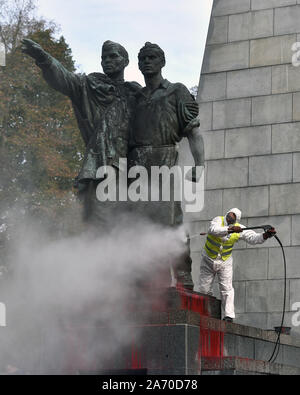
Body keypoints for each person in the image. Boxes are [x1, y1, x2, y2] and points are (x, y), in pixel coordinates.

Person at [21, 38, 141, 229]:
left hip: (134, 169)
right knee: (101, 220)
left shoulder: (136, 94)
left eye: (113, 56)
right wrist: (44, 58)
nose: (107, 61)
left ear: (125, 61)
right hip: (102, 165)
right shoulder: (88, 86)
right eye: (104, 58)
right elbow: (64, 78)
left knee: (128, 224)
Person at [128, 42, 205, 288]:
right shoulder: (135, 98)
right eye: (143, 58)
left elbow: (194, 133)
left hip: (164, 160)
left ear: (162, 62)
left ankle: (182, 275)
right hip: (136, 163)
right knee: (140, 224)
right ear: (138, 65)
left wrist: (200, 164)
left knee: (171, 221)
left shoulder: (176, 92)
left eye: (152, 57)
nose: (147, 62)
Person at [198, 208, 276, 322]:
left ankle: (229, 316)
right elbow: (214, 230)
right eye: (229, 215)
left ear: (236, 220)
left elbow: (253, 238)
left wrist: (265, 235)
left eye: (232, 218)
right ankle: (204, 312)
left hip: (225, 262)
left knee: (227, 288)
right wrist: (230, 229)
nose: (229, 218)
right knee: (204, 289)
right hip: (208, 260)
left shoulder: (240, 228)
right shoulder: (218, 220)